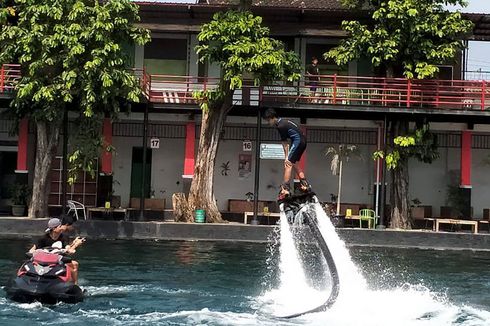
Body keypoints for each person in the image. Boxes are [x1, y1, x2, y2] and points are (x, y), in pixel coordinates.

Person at [263, 108, 310, 200]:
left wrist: (286, 157)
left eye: (268, 120)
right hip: (302, 141)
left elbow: (285, 143)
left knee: (288, 164)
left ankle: (285, 189)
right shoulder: (284, 121)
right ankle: (305, 185)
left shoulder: (280, 126)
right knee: (294, 163)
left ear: (273, 118)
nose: (268, 123)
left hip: (298, 141)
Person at [29, 218, 85, 284]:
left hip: (57, 261)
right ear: (54, 229)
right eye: (60, 226)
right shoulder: (43, 238)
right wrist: (31, 252)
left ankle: (75, 285)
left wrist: (75, 244)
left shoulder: (64, 237)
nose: (62, 228)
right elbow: (33, 249)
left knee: (75, 264)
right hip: (43, 262)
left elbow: (67, 248)